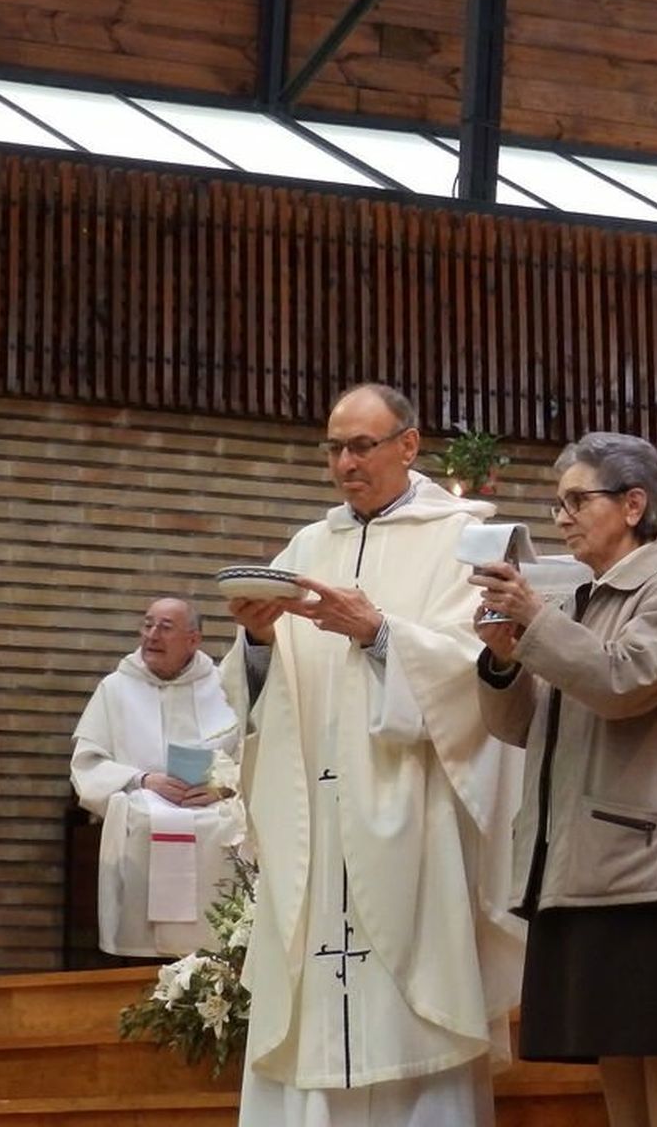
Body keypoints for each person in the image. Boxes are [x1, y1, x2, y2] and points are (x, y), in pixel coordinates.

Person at [219, 383, 523, 1127]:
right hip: (316, 829)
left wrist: (380, 634)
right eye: (334, 447)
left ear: (409, 445)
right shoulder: (306, 548)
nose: (345, 463)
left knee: (413, 1018)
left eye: (361, 445)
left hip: (409, 817)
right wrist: (257, 643)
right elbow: (254, 696)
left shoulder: (466, 541)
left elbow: (482, 672)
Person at [471, 432, 657, 1127]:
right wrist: (503, 661)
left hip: (636, 852)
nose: (564, 517)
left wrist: (536, 621)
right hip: (574, 851)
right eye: (558, 505)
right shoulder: (581, 602)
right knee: (611, 1030)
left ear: (634, 504)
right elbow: (523, 727)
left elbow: (620, 683)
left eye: (578, 499)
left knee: (653, 1027)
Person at [70, 598, 241, 958]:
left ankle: (218, 954)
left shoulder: (226, 686)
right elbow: (87, 764)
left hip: (211, 804)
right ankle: (142, 953)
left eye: (165, 628)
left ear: (193, 640)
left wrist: (224, 786)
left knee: (227, 827)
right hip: (142, 801)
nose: (151, 635)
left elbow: (253, 754)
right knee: (148, 823)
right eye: (147, 625)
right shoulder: (116, 688)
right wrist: (142, 780)